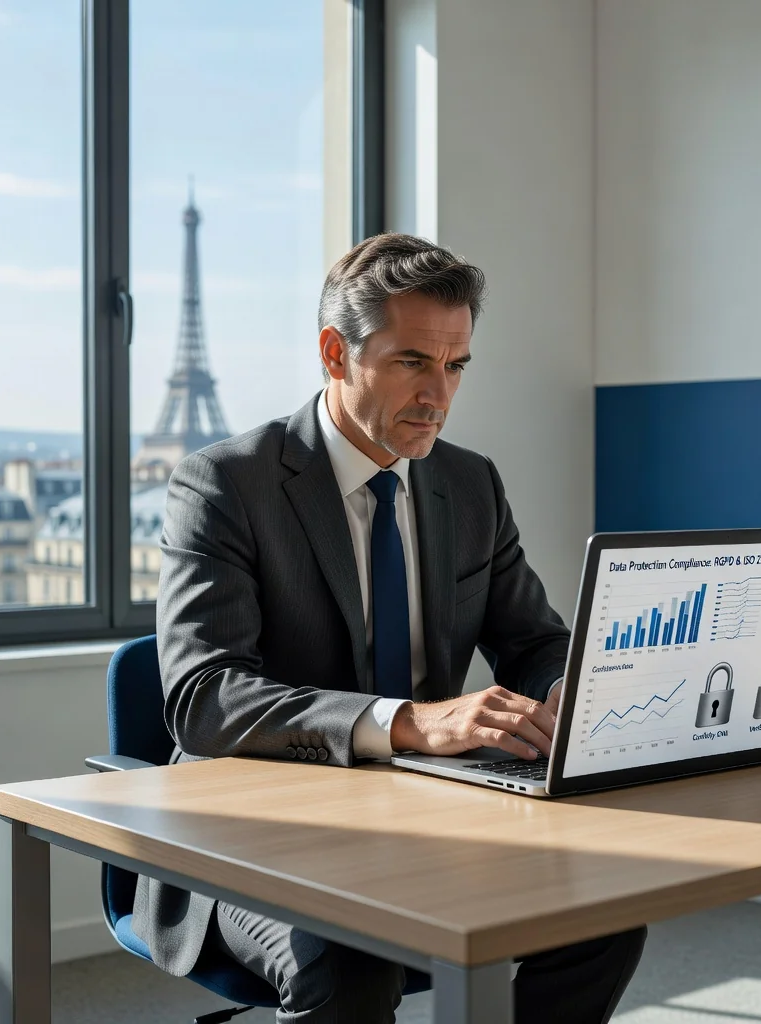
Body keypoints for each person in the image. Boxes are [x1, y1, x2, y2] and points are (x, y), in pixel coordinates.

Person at [133, 233, 647, 1022]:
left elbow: (536, 639)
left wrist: (572, 695)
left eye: (456, 365)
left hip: (433, 815)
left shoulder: (468, 482)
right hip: (257, 830)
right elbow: (204, 698)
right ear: (335, 353)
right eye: (413, 361)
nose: (439, 394)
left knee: (603, 912)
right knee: (351, 960)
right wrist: (407, 722)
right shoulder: (225, 484)